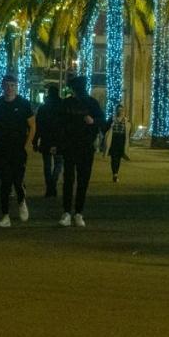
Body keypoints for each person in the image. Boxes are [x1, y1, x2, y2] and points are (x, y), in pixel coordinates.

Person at [0, 73, 36, 227]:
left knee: (17, 180)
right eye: (7, 85)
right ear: (2, 87)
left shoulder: (23, 104)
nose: (9, 88)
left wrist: (26, 145)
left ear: (16, 87)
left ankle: (21, 201)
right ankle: (5, 215)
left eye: (12, 85)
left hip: (18, 148)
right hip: (2, 148)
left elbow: (32, 126)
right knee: (5, 182)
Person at [58, 75, 104, 227]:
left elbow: (102, 121)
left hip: (84, 146)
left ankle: (76, 212)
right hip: (71, 146)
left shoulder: (90, 103)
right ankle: (69, 212)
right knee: (70, 180)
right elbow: (60, 124)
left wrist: (93, 121)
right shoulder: (68, 103)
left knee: (80, 180)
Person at [34, 85, 63, 197]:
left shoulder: (43, 108)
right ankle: (53, 185)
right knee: (58, 164)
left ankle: (49, 187)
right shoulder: (62, 107)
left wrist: (35, 141)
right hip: (59, 140)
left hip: (46, 140)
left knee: (47, 165)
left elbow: (38, 126)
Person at [108, 112, 128, 182]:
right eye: (119, 110)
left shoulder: (125, 120)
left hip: (121, 140)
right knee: (114, 158)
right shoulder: (112, 119)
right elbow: (107, 127)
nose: (120, 112)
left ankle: (116, 173)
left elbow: (128, 130)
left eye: (122, 110)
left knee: (118, 158)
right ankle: (115, 174)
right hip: (113, 140)